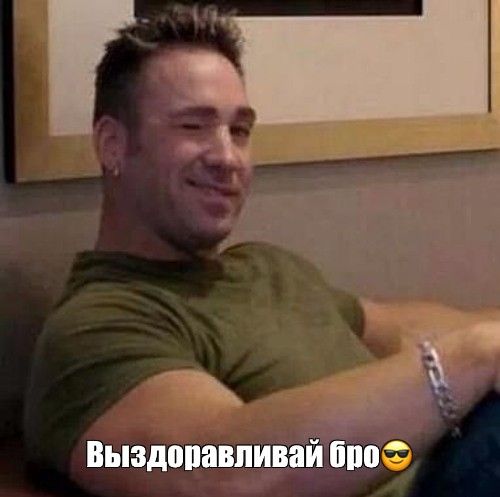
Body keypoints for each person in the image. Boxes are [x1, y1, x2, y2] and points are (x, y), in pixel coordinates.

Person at [23, 3, 500, 497]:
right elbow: (220, 473)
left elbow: (404, 330)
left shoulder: (267, 269)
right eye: (193, 126)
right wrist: (474, 356)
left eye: (239, 131)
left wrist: (479, 343)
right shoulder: (99, 327)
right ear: (112, 145)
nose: (227, 157)